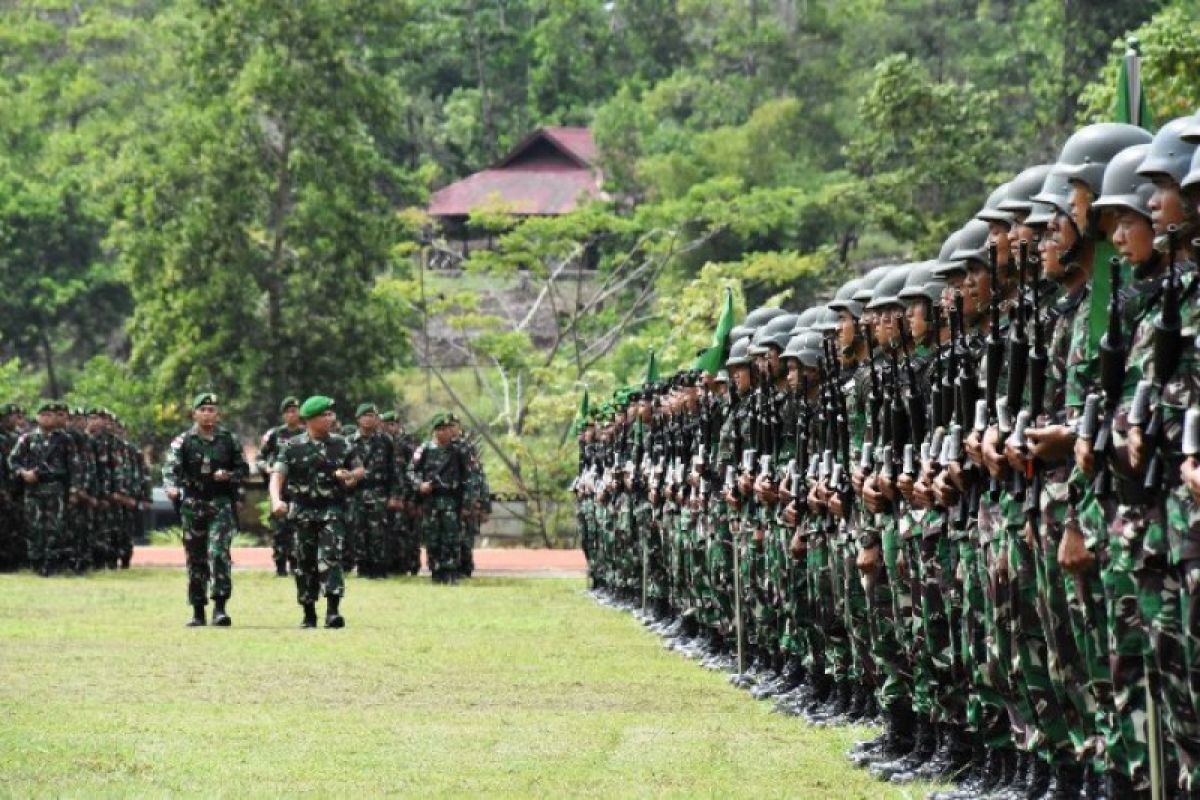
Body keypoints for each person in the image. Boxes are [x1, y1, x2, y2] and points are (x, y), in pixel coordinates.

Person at [269, 395, 363, 628]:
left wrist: (350, 476)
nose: (330, 418)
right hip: (302, 512)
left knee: (331, 558)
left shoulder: (342, 443)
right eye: (325, 415)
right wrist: (276, 500)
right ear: (310, 419)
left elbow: (360, 469)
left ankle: (333, 611)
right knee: (305, 562)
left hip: (331, 510)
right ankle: (308, 612)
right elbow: (277, 475)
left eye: (331, 414)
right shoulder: (292, 446)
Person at [163, 393, 249, 627]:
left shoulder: (228, 440)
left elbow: (243, 470)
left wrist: (229, 475)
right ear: (195, 413)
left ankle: (220, 607)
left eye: (212, 409)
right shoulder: (183, 441)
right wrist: (171, 488)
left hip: (220, 503)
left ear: (218, 414)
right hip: (192, 504)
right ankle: (198, 610)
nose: (208, 414)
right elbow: (170, 468)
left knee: (218, 552)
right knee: (196, 558)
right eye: (203, 409)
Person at [7, 401, 75, 576]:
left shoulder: (65, 440)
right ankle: (36, 562)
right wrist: (23, 473)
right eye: (44, 414)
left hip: (55, 489)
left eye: (51, 415)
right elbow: (12, 461)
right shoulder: (27, 439)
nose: (48, 418)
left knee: (55, 528)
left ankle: (50, 563)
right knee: (34, 527)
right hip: (34, 490)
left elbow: (75, 467)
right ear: (37, 417)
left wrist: (74, 489)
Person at [410, 412, 469, 584]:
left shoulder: (459, 451)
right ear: (434, 431)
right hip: (431, 501)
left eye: (447, 429)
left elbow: (468, 477)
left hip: (451, 500)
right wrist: (419, 485)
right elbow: (410, 470)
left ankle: (450, 570)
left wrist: (468, 502)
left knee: (451, 536)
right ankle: (436, 570)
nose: (444, 432)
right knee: (432, 536)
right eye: (440, 429)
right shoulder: (425, 449)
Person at [256, 397, 306, 577]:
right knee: (279, 529)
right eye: (289, 411)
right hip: (279, 489)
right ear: (284, 414)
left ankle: (296, 563)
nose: (293, 414)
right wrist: (267, 468)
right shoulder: (274, 435)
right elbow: (259, 458)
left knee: (299, 528)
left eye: (295, 410)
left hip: (300, 489)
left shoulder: (306, 434)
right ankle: (280, 566)